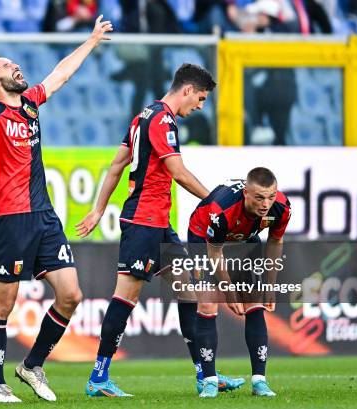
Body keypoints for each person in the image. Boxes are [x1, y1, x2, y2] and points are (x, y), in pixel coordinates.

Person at [0, 15, 112, 403]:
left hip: (44, 217)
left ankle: (32, 365)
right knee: (4, 303)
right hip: (9, 219)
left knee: (71, 295)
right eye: (4, 66)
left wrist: (92, 40)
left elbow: (61, 74)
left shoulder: (31, 102)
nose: (14, 65)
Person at [77, 63, 243, 398]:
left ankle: (205, 374)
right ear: (186, 90)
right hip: (142, 223)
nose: (199, 106)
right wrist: (216, 200)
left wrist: (98, 209)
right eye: (200, 98)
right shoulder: (162, 120)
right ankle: (98, 377)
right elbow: (178, 172)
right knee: (126, 298)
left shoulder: (142, 116)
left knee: (190, 291)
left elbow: (117, 164)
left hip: (159, 224)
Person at [187, 167, 291, 397]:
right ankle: (210, 381)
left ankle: (259, 381)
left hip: (245, 238)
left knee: (255, 302)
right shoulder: (221, 210)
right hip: (203, 238)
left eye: (270, 197)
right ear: (246, 193)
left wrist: (270, 285)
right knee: (207, 304)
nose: (266, 204)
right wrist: (229, 291)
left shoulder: (281, 207)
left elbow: (275, 241)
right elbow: (215, 253)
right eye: (259, 198)